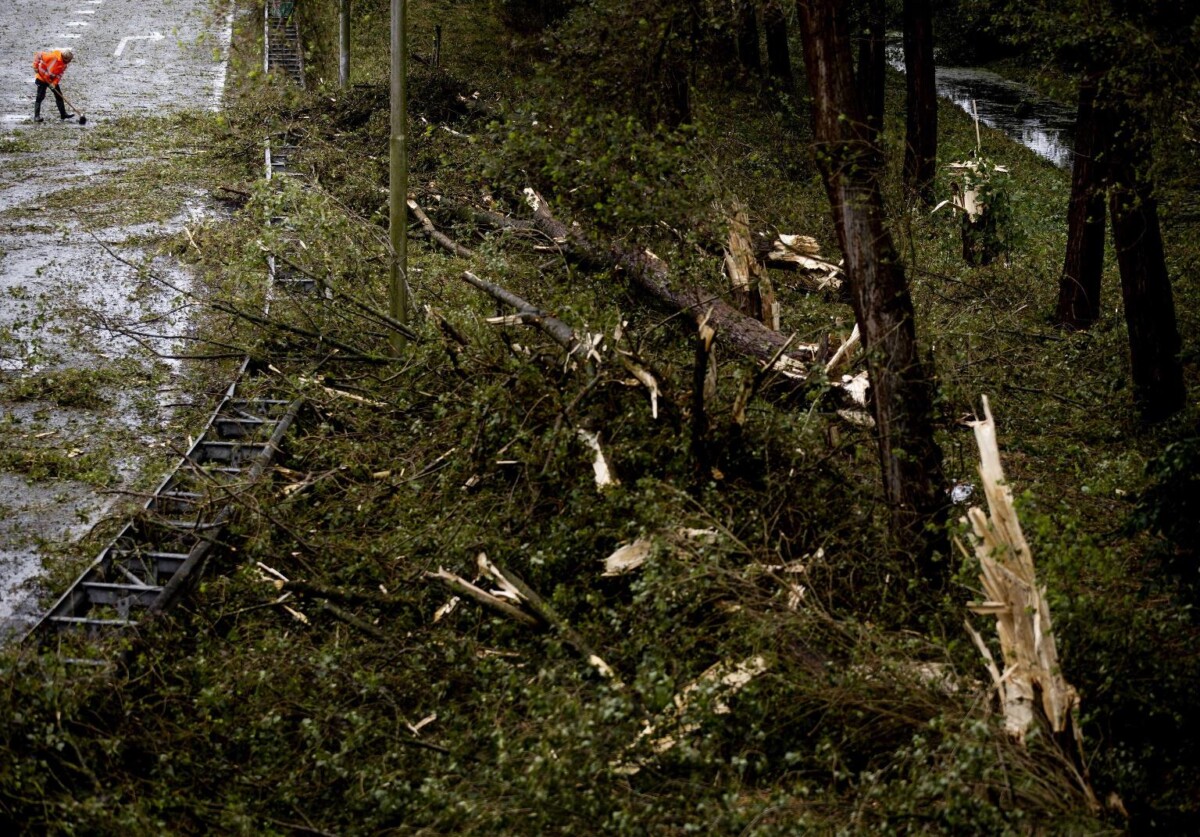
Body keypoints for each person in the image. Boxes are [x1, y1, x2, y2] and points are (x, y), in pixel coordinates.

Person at [32, 48, 75, 122]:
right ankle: (36, 116)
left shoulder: (64, 64)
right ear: (65, 58)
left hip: (51, 80)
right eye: (69, 60)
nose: (69, 62)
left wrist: (54, 83)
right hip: (42, 78)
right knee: (40, 96)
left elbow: (59, 75)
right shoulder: (52, 57)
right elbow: (38, 54)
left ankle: (63, 114)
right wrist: (35, 66)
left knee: (59, 95)